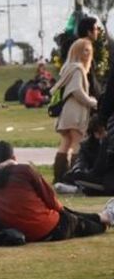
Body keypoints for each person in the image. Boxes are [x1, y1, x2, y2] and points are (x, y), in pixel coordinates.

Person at [0, 141, 113, 245]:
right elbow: (51, 200)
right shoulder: (24, 171)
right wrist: (64, 213)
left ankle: (103, 216)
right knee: (95, 225)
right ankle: (105, 217)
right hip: (52, 227)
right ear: (13, 157)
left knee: (73, 215)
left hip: (27, 234)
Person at [52, 38, 98, 185]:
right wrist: (91, 101)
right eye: (85, 50)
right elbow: (77, 90)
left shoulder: (68, 67)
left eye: (89, 50)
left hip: (67, 111)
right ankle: (75, 177)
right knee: (77, 143)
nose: (88, 53)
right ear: (77, 51)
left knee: (65, 142)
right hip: (75, 111)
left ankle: (59, 175)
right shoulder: (78, 69)